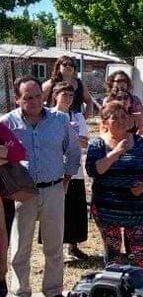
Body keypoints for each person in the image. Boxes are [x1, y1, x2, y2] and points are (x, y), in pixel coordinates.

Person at [0, 76, 81, 297]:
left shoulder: (60, 120)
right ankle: (20, 292)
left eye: (38, 96)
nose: (35, 101)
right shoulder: (6, 123)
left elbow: (73, 152)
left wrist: (65, 180)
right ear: (17, 100)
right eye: (28, 98)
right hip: (22, 194)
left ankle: (53, 291)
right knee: (19, 249)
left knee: (54, 248)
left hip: (54, 189)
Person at [85, 101, 143, 270]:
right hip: (107, 207)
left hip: (136, 206)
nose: (120, 120)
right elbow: (94, 171)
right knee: (113, 253)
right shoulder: (98, 144)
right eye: (114, 117)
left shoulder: (138, 141)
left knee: (142, 252)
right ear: (105, 122)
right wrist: (116, 152)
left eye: (123, 116)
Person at [51, 82, 90, 260]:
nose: (68, 98)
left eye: (71, 95)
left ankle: (73, 246)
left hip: (75, 171)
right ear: (55, 95)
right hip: (53, 170)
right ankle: (56, 247)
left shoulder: (78, 117)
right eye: (64, 94)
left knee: (75, 209)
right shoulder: (47, 116)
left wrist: (68, 137)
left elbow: (84, 142)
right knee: (57, 210)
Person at [0, 123, 27, 297]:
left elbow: (19, 152)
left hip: (3, 200)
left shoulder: (0, 129)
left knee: (2, 243)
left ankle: (0, 283)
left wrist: (5, 154)